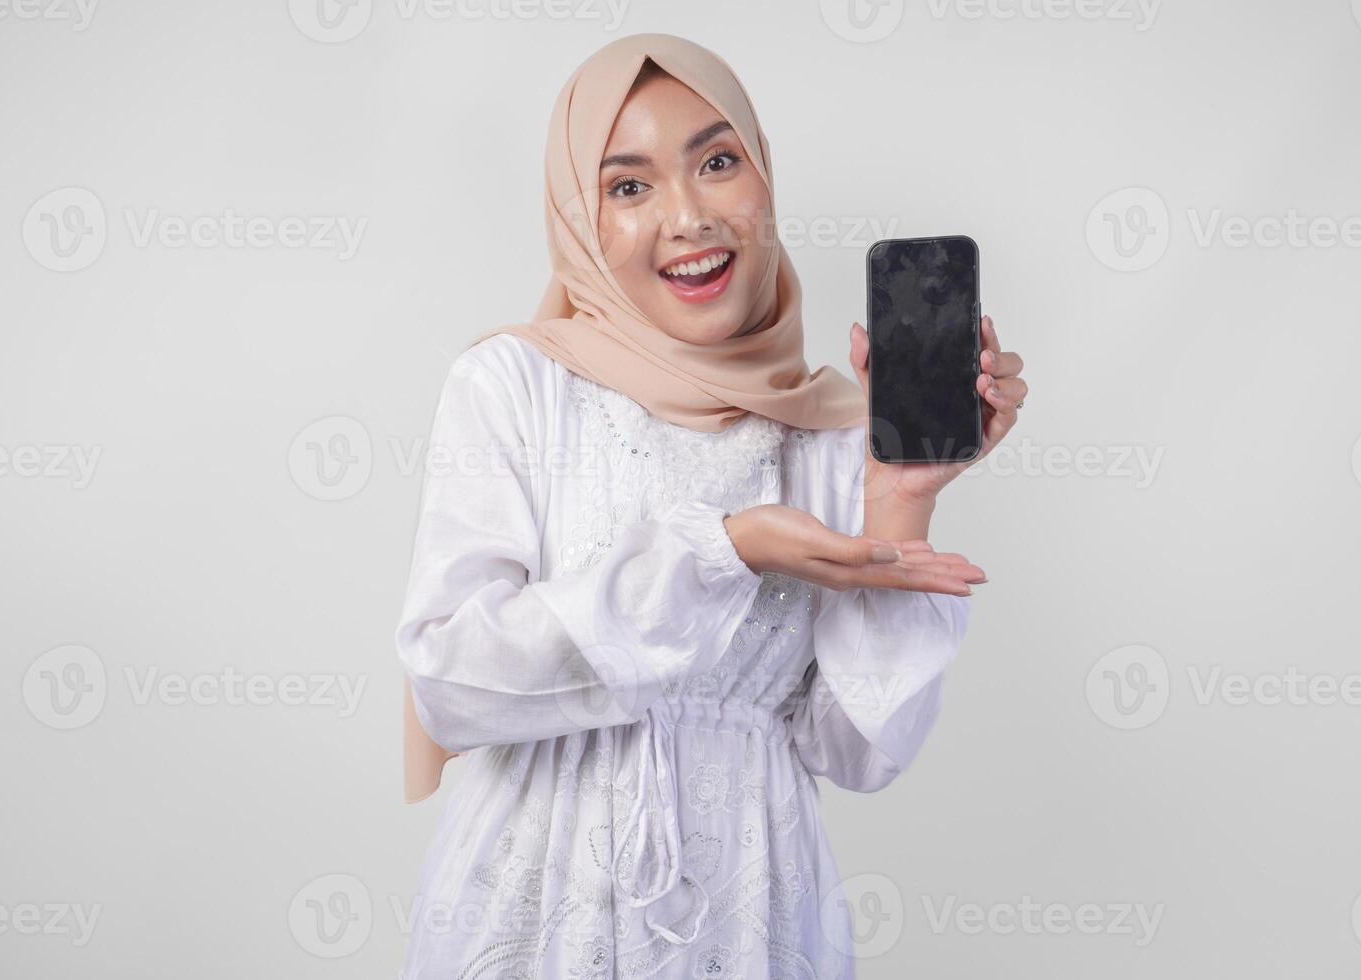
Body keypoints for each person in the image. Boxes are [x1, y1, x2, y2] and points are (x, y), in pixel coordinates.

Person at [394, 32, 1027, 979]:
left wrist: (898, 506)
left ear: (764, 177)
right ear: (579, 218)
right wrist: (721, 551)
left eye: (718, 162)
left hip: (753, 916)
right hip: (536, 914)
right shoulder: (513, 385)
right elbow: (450, 677)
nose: (687, 217)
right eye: (628, 185)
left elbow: (852, 752)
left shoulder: (822, 430)